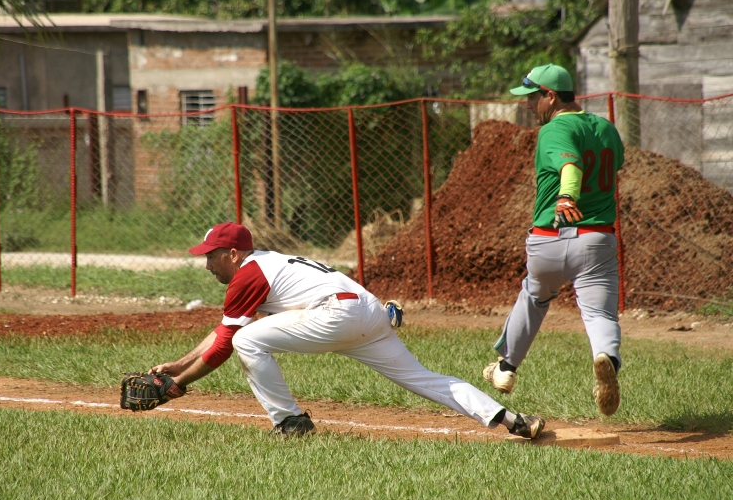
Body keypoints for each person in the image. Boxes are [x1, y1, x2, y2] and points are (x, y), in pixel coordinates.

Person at [151, 221, 545, 439]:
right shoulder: (266, 263)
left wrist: (179, 384)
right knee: (427, 379)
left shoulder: (248, 275)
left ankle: (290, 422)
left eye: (212, 257)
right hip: (370, 312)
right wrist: (178, 364)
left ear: (233, 254)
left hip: (335, 316)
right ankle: (513, 421)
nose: (207, 265)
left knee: (245, 340)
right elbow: (222, 330)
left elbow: (225, 343)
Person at [482, 64, 625, 416]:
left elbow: (571, 165)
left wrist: (566, 197)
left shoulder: (553, 129)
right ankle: (605, 358)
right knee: (598, 312)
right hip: (595, 240)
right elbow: (614, 164)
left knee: (534, 295)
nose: (530, 106)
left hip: (549, 239)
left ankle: (506, 368)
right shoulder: (606, 129)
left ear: (551, 95)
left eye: (534, 97)